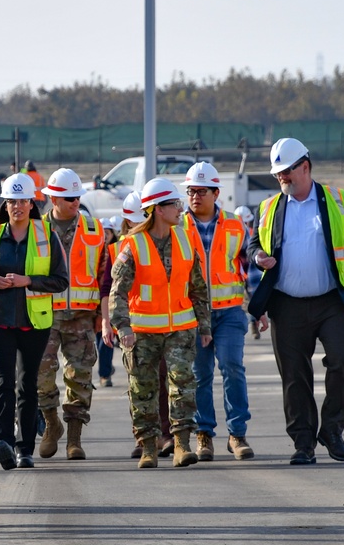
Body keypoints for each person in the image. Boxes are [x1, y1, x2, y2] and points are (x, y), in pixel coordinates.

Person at [248, 137, 344, 466]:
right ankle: (303, 443)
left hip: (333, 301)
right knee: (294, 376)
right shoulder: (269, 207)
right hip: (286, 304)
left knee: (342, 360)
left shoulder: (340, 201)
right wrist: (257, 256)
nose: (282, 178)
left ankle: (332, 429)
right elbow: (253, 242)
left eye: (287, 172)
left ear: (305, 166)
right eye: (278, 174)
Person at [110, 178, 212, 469]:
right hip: (142, 332)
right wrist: (123, 327)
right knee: (142, 390)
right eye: (174, 204)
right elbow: (117, 291)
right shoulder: (132, 245)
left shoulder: (184, 238)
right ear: (157, 209)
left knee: (182, 384)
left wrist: (204, 326)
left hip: (180, 328)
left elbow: (198, 287)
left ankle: (181, 445)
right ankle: (149, 448)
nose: (180, 209)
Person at [0, 174, 68, 470]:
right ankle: (3, 442)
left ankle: (24, 448)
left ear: (32, 203)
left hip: (34, 323)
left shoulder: (47, 235)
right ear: (5, 204)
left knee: (27, 385)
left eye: (23, 201)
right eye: (12, 201)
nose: (17, 206)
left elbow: (61, 280)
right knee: (4, 383)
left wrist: (29, 281)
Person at [180, 163, 256, 462]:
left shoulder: (236, 226)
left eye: (201, 191)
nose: (195, 196)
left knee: (232, 368)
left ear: (216, 193)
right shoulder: (178, 227)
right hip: (192, 315)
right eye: (191, 191)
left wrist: (258, 308)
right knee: (199, 375)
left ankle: (237, 434)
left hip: (229, 312)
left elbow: (249, 271)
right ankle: (204, 435)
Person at [37, 168, 106, 461]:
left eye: (77, 197)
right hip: (44, 315)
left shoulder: (95, 228)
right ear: (53, 197)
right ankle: (52, 425)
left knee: (80, 377)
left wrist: (104, 315)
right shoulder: (36, 229)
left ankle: (74, 439)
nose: (75, 202)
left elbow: (104, 274)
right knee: (41, 376)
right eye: (68, 198)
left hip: (82, 316)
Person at [111, 192, 175, 459]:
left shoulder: (167, 242)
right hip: (134, 326)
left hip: (164, 324)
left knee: (163, 380)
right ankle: (143, 437)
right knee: (139, 384)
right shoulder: (120, 248)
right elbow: (110, 289)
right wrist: (114, 325)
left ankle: (166, 434)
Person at [96, 216, 120, 388]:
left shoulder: (116, 251)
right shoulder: (91, 250)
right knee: (95, 341)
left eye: (108, 232)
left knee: (106, 341)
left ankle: (105, 374)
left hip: (109, 302)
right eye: (102, 232)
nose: (105, 235)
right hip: (89, 302)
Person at [234, 205, 262, 340]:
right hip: (248, 272)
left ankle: (252, 323)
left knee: (246, 301)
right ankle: (252, 323)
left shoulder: (232, 231)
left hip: (240, 273)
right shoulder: (252, 233)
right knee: (251, 299)